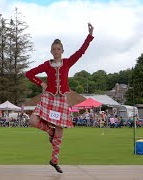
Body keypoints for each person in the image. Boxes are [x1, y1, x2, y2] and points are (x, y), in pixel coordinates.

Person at [25, 23, 94, 173]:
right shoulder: (47, 65)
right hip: (48, 98)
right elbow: (29, 74)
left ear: (62, 51)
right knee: (33, 120)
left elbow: (81, 52)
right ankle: (50, 132)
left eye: (58, 49)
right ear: (51, 51)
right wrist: (41, 83)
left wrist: (89, 36)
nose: (56, 51)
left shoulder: (67, 62)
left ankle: (54, 160)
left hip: (61, 100)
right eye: (54, 49)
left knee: (60, 132)